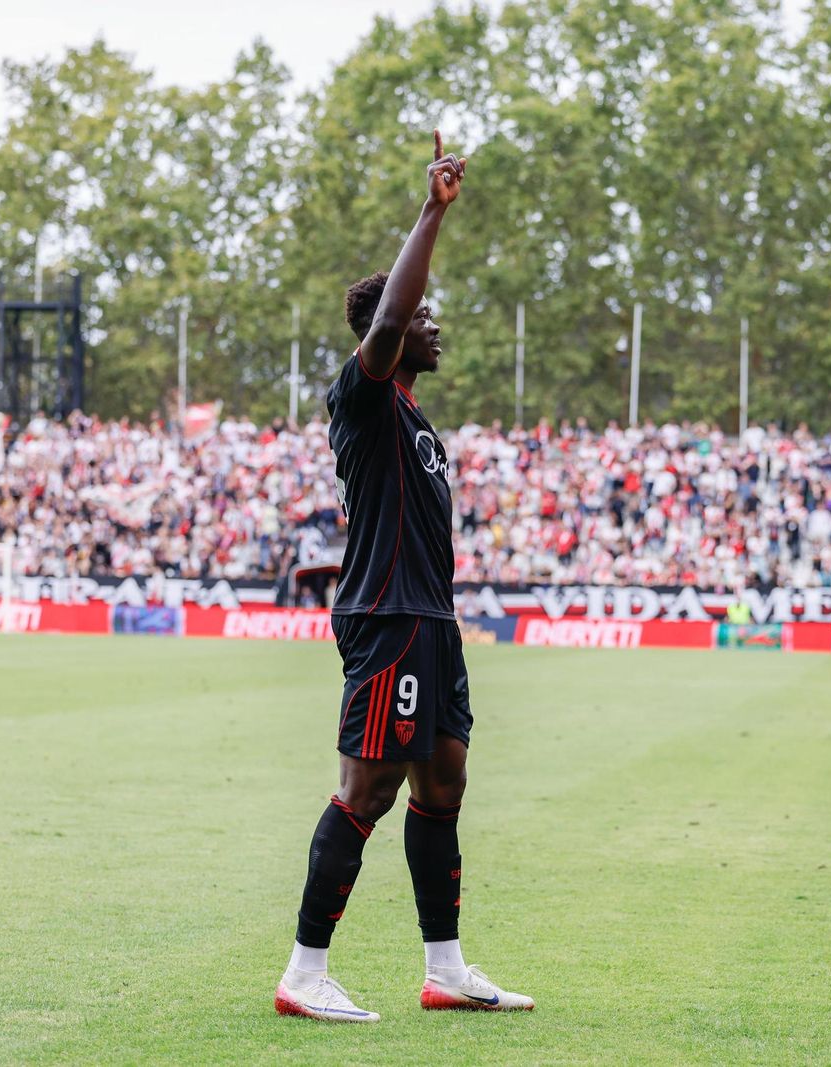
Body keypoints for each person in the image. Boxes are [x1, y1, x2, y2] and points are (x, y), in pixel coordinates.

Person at [275, 130, 532, 1024]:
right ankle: (304, 972)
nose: (433, 322)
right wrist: (432, 210)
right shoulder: (365, 394)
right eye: (422, 314)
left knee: (444, 782)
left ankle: (446, 968)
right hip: (387, 617)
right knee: (367, 791)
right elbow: (387, 320)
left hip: (433, 620)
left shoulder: (421, 422)